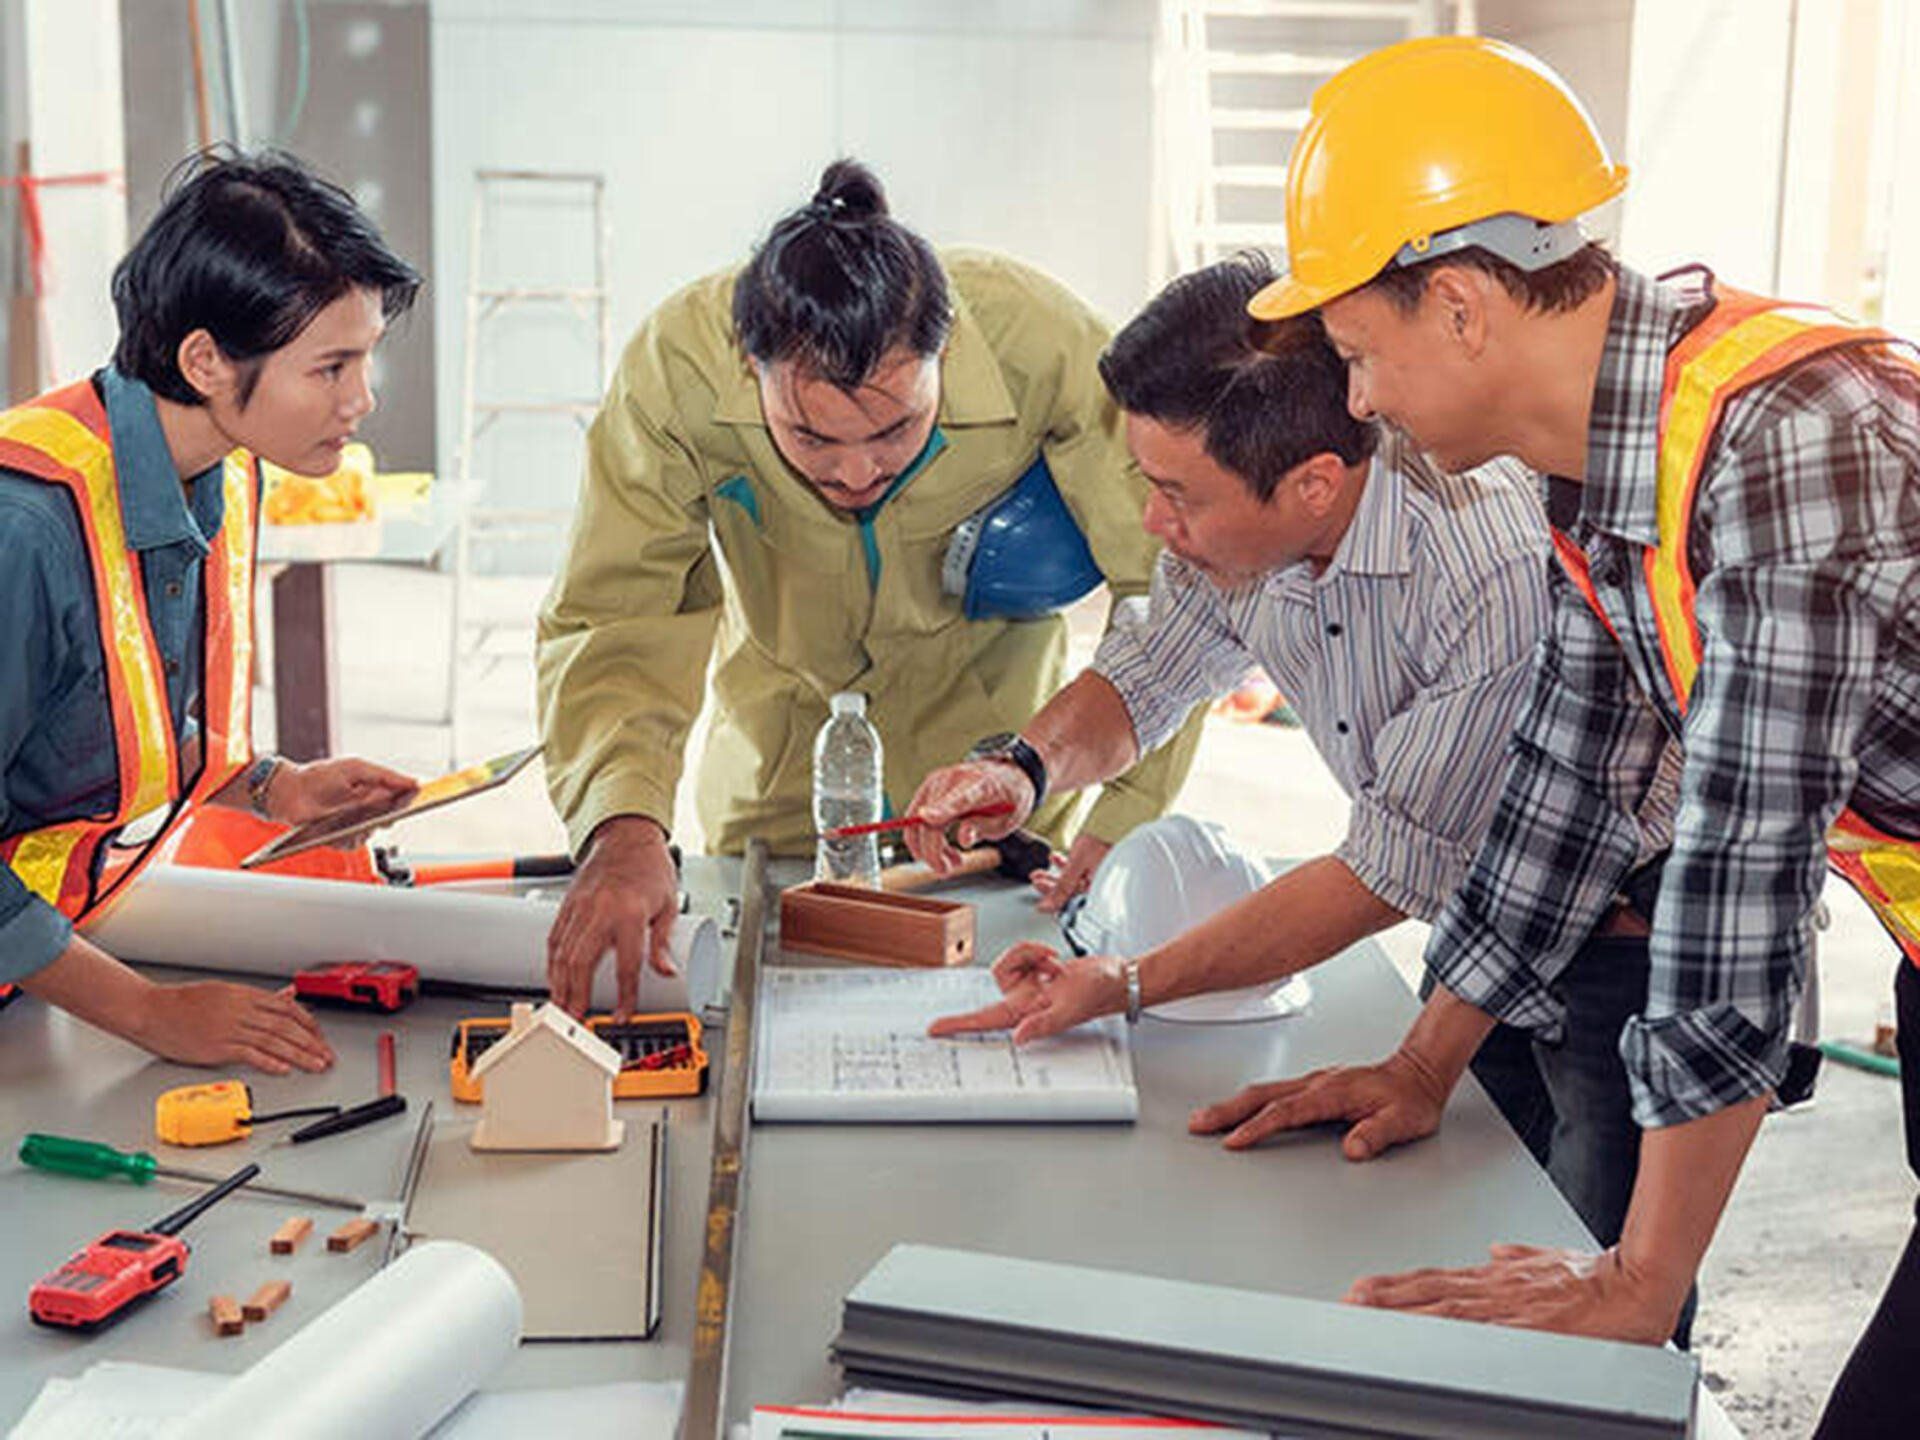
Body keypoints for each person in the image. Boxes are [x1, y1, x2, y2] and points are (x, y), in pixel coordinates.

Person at [1238, 34, 1920, 1428]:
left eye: (1363, 354)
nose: (1359, 404)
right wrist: (1426, 1061)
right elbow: (1571, 777)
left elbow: (1741, 867)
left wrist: (1637, 1280)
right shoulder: (1608, 472)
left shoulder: (1787, 436)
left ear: (1464, 305)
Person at [905, 255, 1678, 1241]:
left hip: (1632, 937)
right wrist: (1022, 770)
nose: (1153, 521)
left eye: (1178, 493)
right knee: (1478, 1225)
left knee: (1596, 1273)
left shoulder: (1485, 564)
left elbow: (1379, 873)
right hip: (1482, 910)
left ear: (1315, 485)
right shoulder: (1237, 534)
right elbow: (1152, 673)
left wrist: (1130, 980)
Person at [538, 160, 1203, 1015]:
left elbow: (1174, 586)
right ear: (750, 364)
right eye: (809, 439)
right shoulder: (677, 370)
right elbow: (618, 615)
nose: (856, 471)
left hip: (1005, 799)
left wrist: (1125, 810)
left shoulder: (1042, 344)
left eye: (895, 430)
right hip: (780, 789)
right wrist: (625, 826)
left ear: (945, 349)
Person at [0, 152, 421, 1075]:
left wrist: (275, 788)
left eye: (367, 360)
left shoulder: (215, 466)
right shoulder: (25, 528)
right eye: (332, 367)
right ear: (205, 361)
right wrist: (151, 1014)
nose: (362, 399)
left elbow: (102, 724)